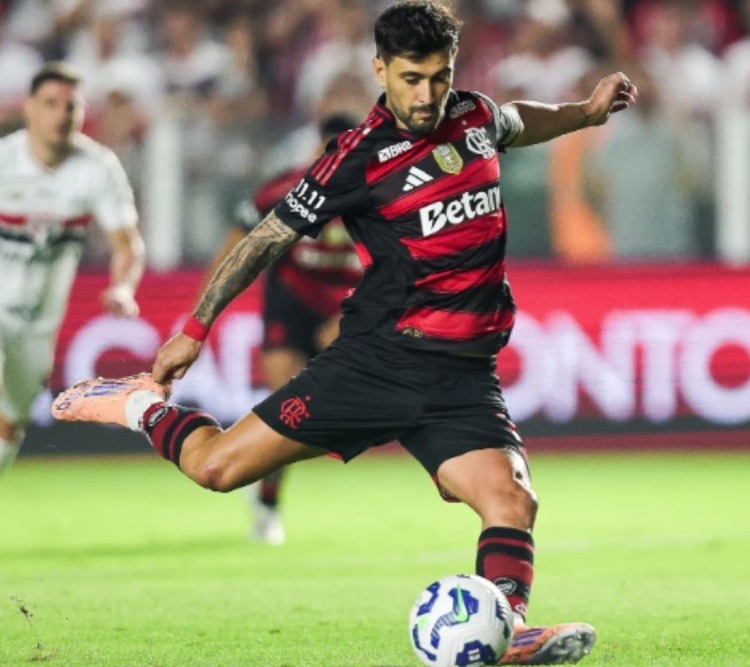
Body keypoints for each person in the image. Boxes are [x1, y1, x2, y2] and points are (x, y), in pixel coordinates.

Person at [52, 2, 637, 664]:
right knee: (215, 468)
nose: (427, 95)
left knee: (512, 499)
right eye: (411, 79)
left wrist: (584, 112)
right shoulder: (359, 156)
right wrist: (196, 326)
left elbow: (518, 121)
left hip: (462, 376)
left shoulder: (474, 117)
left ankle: (506, 630)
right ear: (380, 70)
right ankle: (139, 405)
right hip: (377, 363)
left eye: (439, 77)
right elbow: (266, 238)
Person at [206, 112, 362, 544]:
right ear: (316, 151)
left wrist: (351, 317)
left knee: (330, 416)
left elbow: (402, 269)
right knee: (288, 406)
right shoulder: (285, 190)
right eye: (330, 151)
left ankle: (261, 473)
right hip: (290, 307)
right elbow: (237, 246)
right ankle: (268, 505)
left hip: (348, 310)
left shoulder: (382, 195)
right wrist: (203, 315)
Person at [0, 61, 145, 477]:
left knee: (9, 424)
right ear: (29, 108)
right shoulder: (4, 161)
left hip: (37, 324)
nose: (61, 115)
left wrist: (123, 287)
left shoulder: (97, 168)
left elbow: (127, 245)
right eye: (50, 104)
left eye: (71, 106)